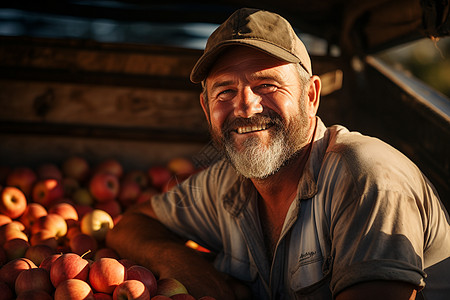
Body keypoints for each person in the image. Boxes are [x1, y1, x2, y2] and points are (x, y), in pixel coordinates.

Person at [106, 7, 450, 300]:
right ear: (205, 106)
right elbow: (131, 226)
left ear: (311, 96)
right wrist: (193, 270)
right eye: (224, 91)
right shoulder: (227, 184)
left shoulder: (365, 176)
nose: (244, 107)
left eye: (267, 85)